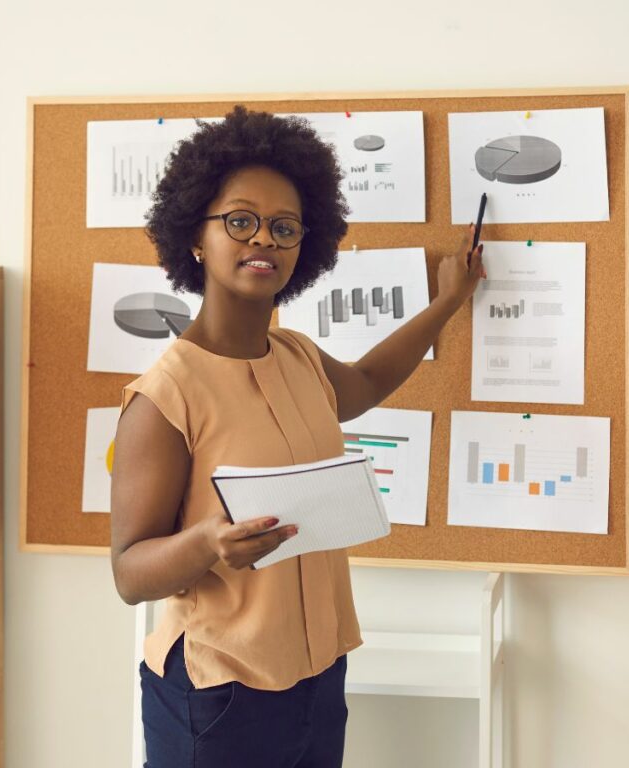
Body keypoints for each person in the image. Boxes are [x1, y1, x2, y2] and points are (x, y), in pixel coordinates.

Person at [110, 105, 485, 768]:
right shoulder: (164, 397)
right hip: (219, 690)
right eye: (241, 221)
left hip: (317, 676)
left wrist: (449, 302)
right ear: (196, 235)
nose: (264, 241)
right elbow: (129, 572)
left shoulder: (297, 357)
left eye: (284, 228)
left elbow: (368, 380)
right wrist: (208, 543)